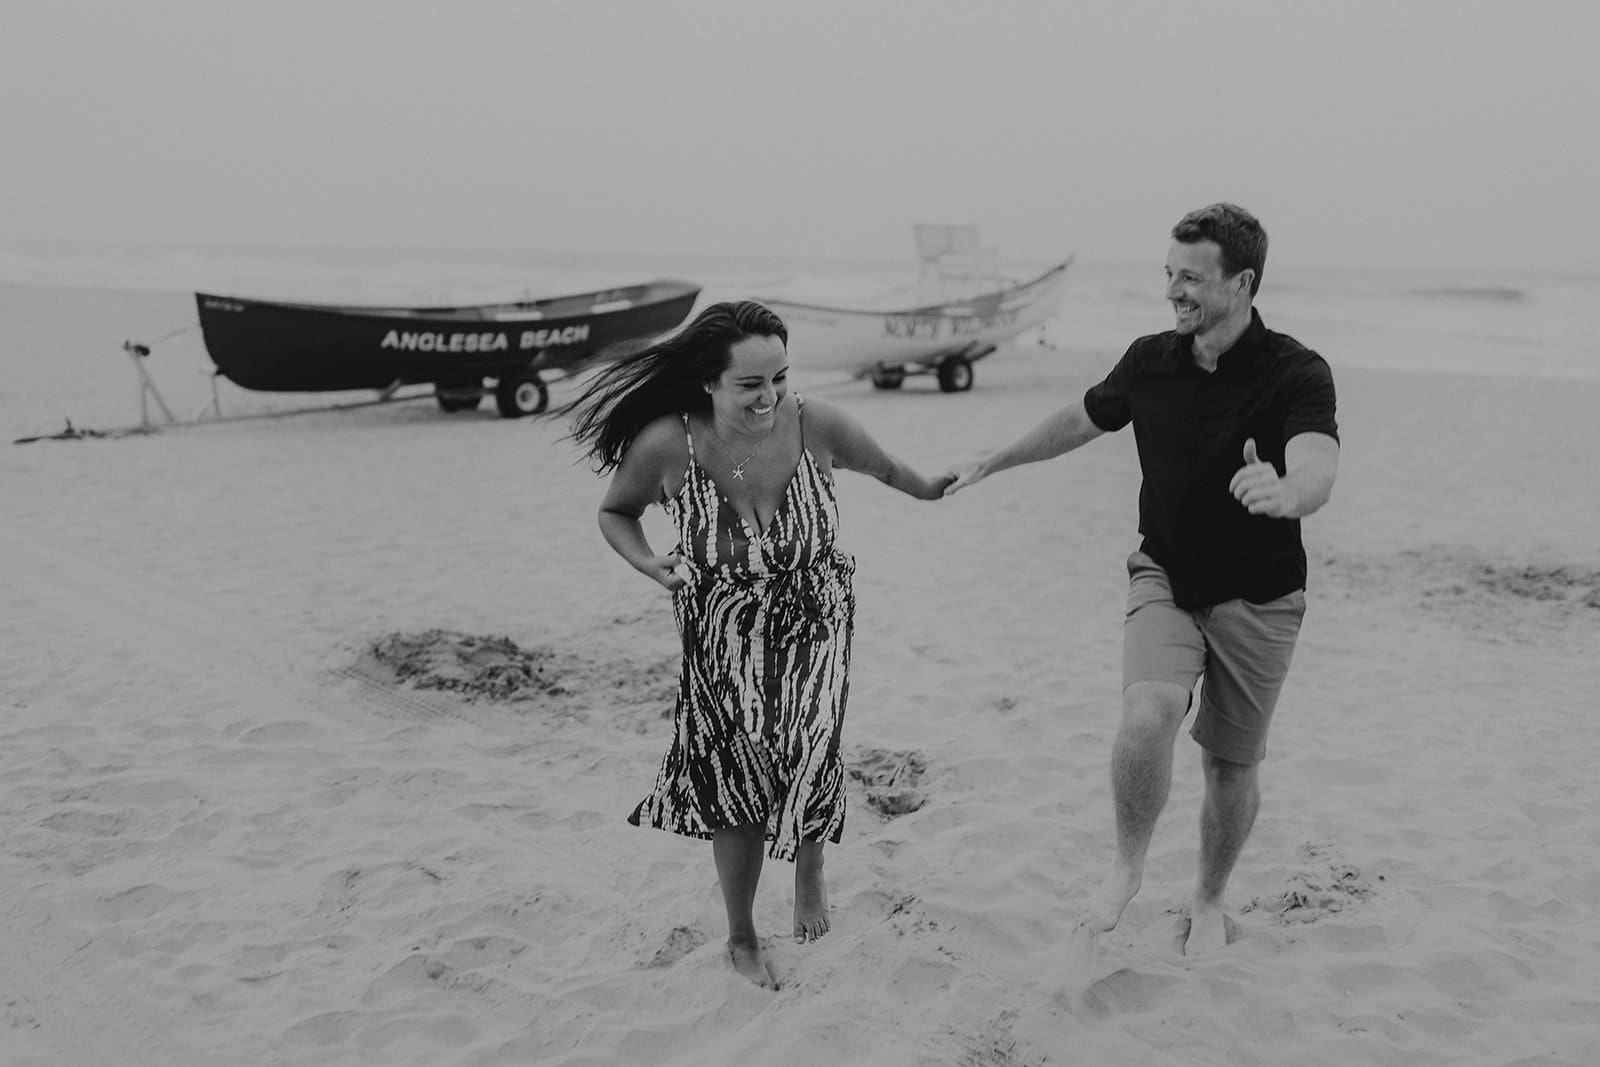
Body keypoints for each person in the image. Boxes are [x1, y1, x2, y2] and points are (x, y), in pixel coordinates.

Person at [946, 203, 1340, 967]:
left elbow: (1318, 460)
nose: (1173, 291)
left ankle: (1209, 896)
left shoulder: (1296, 371)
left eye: (1191, 278)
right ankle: (1127, 865)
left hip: (1261, 595)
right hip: (1166, 572)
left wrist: (1290, 492)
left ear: (1243, 282)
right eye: (1169, 274)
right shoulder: (1150, 360)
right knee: (1148, 708)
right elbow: (1081, 418)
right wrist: (998, 458)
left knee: (1230, 765)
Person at [567, 299, 951, 989]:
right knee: (734, 780)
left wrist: (932, 489)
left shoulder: (817, 424)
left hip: (815, 618)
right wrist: (648, 560)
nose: (769, 395)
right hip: (720, 632)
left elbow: (888, 468)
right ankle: (742, 936)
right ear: (709, 382)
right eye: (750, 383)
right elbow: (615, 510)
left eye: (779, 376)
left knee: (808, 748)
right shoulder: (667, 443)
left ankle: (810, 865)